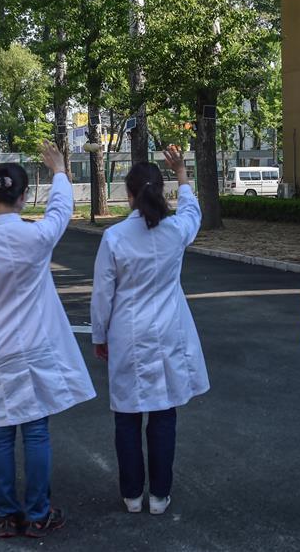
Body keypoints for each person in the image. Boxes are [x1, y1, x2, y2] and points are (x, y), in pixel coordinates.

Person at [0, 143, 96, 538]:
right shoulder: (36, 238)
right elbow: (61, 212)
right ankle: (37, 513)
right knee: (35, 431)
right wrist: (61, 171)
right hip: (33, 346)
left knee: (0, 431)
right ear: (24, 195)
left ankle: (6, 514)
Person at [90, 145, 209, 516]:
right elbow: (193, 213)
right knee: (163, 413)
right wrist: (183, 176)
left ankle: (131, 495)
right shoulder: (175, 232)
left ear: (128, 194)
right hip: (169, 332)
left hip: (128, 333)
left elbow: (102, 295)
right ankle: (160, 495)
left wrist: (99, 336)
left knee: (126, 414)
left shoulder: (115, 237)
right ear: (161, 191)